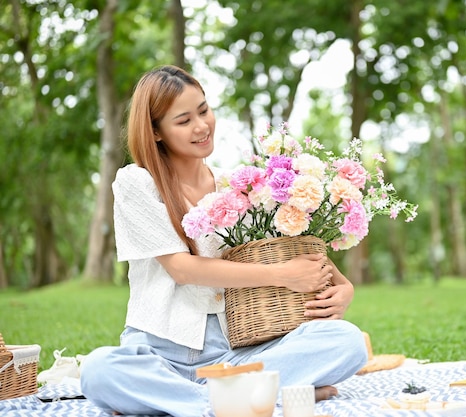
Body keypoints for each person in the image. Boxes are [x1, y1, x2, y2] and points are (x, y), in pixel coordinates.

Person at [80, 65, 368, 417]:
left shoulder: (237, 185)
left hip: (237, 354)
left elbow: (291, 244)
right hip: (158, 353)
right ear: (156, 132)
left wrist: (344, 287)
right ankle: (234, 401)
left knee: (348, 342)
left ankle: (188, 402)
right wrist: (282, 275)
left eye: (203, 110)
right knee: (98, 371)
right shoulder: (136, 182)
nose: (201, 126)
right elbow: (182, 270)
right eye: (183, 121)